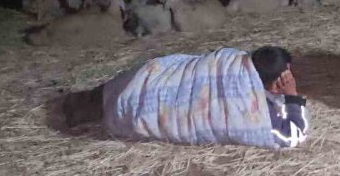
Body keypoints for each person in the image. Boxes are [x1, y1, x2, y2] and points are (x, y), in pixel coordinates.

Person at [59, 45, 309, 148]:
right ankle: (86, 108)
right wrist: (292, 97)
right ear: (274, 81)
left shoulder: (239, 59)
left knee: (120, 91)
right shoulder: (251, 111)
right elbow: (292, 136)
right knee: (130, 102)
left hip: (151, 73)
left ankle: (85, 102)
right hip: (152, 99)